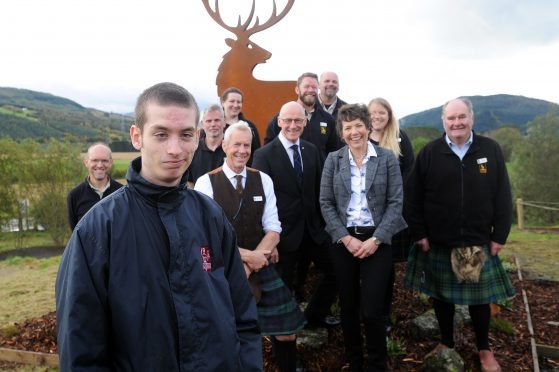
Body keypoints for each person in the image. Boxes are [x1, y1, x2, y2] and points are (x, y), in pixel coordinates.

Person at [56, 82, 262, 371]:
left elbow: (243, 317)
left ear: (198, 137)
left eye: (186, 135)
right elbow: (81, 348)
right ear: (137, 136)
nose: (175, 149)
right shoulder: (98, 230)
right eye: (161, 134)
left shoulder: (211, 216)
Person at [404, 97, 514, 372]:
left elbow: (503, 195)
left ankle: (484, 349)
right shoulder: (430, 152)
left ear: (471, 119)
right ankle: (446, 342)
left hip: (474, 241)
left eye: (461, 117)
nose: (457, 123)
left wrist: (499, 234)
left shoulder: (490, 149)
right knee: (441, 298)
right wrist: (420, 233)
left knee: (479, 301)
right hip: (439, 241)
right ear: (443, 122)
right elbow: (412, 197)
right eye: (451, 118)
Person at [195, 121, 306, 372]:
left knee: (287, 332)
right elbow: (208, 237)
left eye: (247, 145)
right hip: (223, 270)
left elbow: (274, 228)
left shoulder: (262, 179)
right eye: (237, 144)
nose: (243, 150)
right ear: (224, 145)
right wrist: (246, 260)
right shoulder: (205, 183)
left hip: (261, 265)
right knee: (234, 333)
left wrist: (255, 262)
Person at [319, 103, 406, 370]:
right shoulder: (333, 160)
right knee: (348, 306)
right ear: (341, 133)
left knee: (371, 309)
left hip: (377, 241)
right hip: (344, 240)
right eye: (348, 127)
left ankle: (378, 363)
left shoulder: (387, 158)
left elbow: (395, 203)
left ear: (368, 127)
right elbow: (325, 202)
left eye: (359, 125)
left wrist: (376, 240)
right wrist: (346, 238)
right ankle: (355, 361)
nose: (354, 132)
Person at [253, 101, 339, 330]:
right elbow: (259, 203)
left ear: (305, 122)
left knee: (337, 271)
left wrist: (327, 228)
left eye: (298, 120)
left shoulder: (312, 151)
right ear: (279, 122)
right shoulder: (264, 155)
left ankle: (313, 317)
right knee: (282, 289)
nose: (293, 125)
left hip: (314, 231)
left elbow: (321, 191)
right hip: (282, 236)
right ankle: (285, 334)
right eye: (288, 120)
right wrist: (269, 241)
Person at [368, 97, 414, 332]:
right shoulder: (360, 137)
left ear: (389, 114)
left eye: (381, 113)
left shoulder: (399, 136)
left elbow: (409, 170)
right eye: (373, 113)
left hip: (392, 212)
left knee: (386, 266)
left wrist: (392, 195)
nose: (377, 117)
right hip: (366, 213)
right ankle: (367, 313)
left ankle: (384, 315)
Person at [264, 72, 341, 163]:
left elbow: (334, 152)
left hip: (319, 175)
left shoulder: (328, 119)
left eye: (314, 87)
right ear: (297, 90)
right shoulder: (281, 118)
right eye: (306, 86)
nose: (310, 90)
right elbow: (268, 150)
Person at [66, 143, 123, 230]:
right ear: (86, 162)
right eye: (95, 160)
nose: (100, 165)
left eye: (104, 160)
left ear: (110, 163)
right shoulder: (75, 195)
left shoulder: (123, 193)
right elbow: (75, 232)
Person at [186, 103, 226, 186]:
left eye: (217, 120)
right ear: (202, 124)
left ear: (224, 122)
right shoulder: (193, 149)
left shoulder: (233, 148)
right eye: (209, 121)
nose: (213, 124)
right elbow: (189, 181)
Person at [221, 87, 261, 166]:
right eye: (232, 101)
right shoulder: (215, 127)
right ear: (222, 102)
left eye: (238, 102)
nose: (235, 105)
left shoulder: (250, 127)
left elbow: (256, 154)